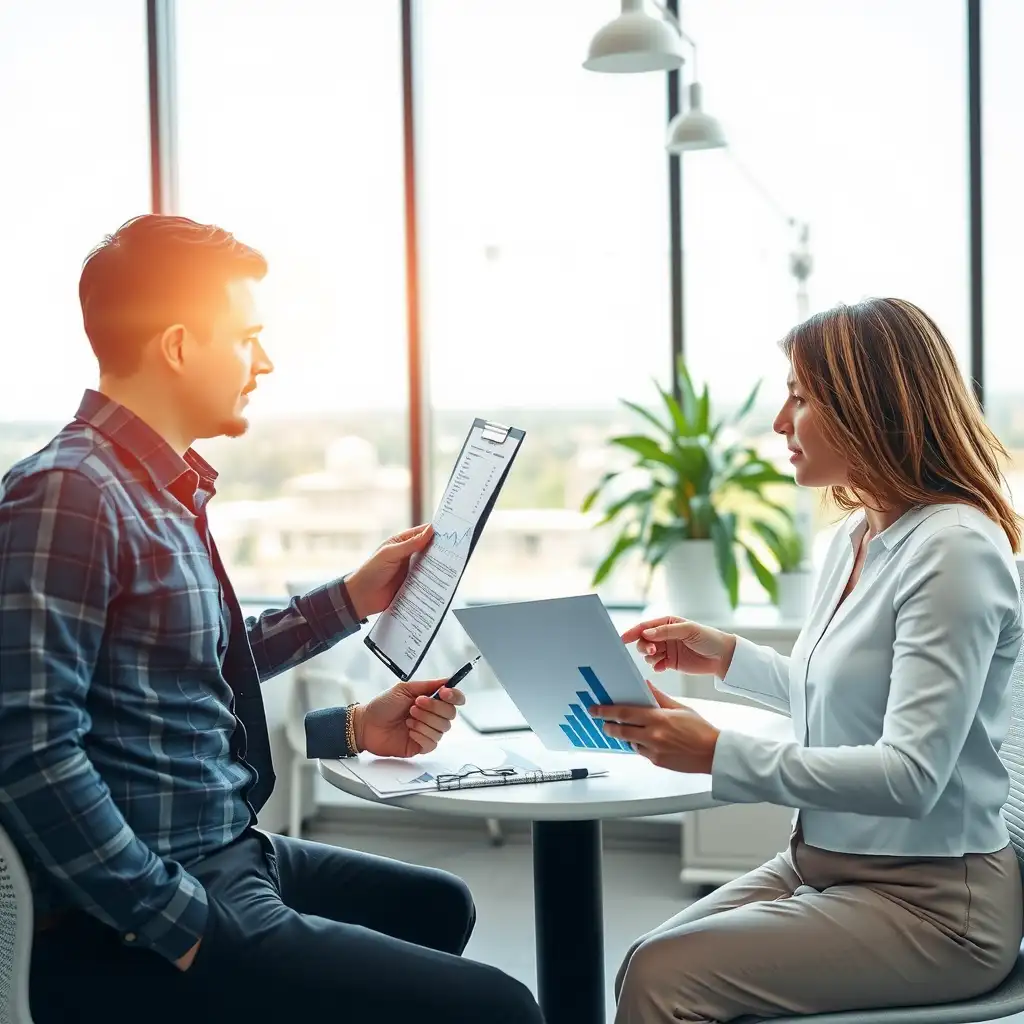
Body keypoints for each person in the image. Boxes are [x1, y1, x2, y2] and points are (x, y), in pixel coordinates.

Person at [0, 215, 543, 1024]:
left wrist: (353, 601)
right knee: (502, 1009)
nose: (265, 361)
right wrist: (175, 924)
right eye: (247, 337)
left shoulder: (158, 489)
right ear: (180, 346)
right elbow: (28, 747)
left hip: (231, 845)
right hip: (165, 889)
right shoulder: (68, 495)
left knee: (438, 906)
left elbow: (202, 663)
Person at [593, 298, 1024, 1024]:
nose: (779, 422)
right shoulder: (857, 537)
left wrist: (718, 755)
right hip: (824, 864)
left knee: (663, 981)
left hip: (938, 903)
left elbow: (913, 776)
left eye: (800, 397)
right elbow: (841, 699)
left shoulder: (954, 549)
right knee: (643, 963)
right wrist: (726, 657)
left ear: (869, 407)